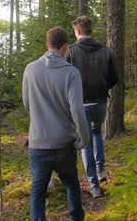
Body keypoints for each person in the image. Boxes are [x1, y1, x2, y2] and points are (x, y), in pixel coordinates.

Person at [22, 27, 90, 221]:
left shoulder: (30, 69)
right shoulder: (71, 73)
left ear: (47, 45)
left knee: (37, 193)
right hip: (64, 143)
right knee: (71, 184)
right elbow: (77, 110)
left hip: (38, 142)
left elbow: (27, 104)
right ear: (66, 47)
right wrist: (83, 139)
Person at [67, 16, 118, 198]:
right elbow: (114, 77)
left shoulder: (71, 52)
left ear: (78, 31)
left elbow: (65, 77)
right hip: (101, 101)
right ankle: (101, 170)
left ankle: (94, 185)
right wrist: (103, 88)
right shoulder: (105, 50)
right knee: (97, 133)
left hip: (82, 103)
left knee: (85, 144)